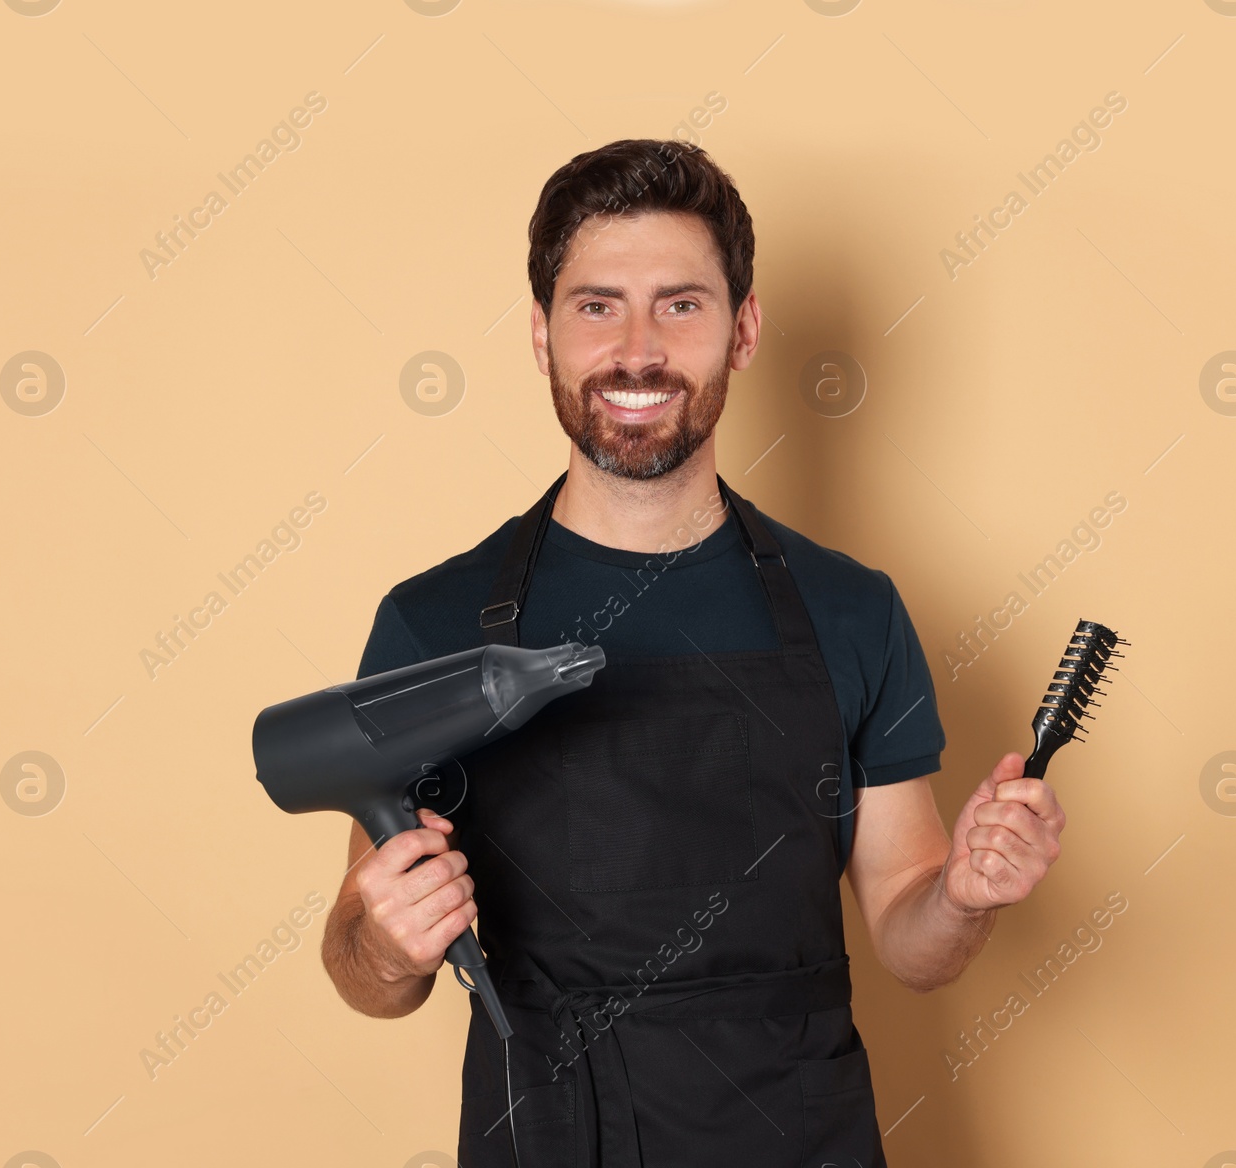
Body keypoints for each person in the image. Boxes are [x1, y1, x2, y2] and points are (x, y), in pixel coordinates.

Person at [320, 138, 1065, 1167]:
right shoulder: (431, 626)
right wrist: (386, 940)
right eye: (596, 305)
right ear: (540, 335)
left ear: (742, 328)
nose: (637, 349)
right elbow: (362, 972)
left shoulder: (852, 611)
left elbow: (910, 935)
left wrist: (964, 898)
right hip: (549, 1138)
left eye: (679, 303)